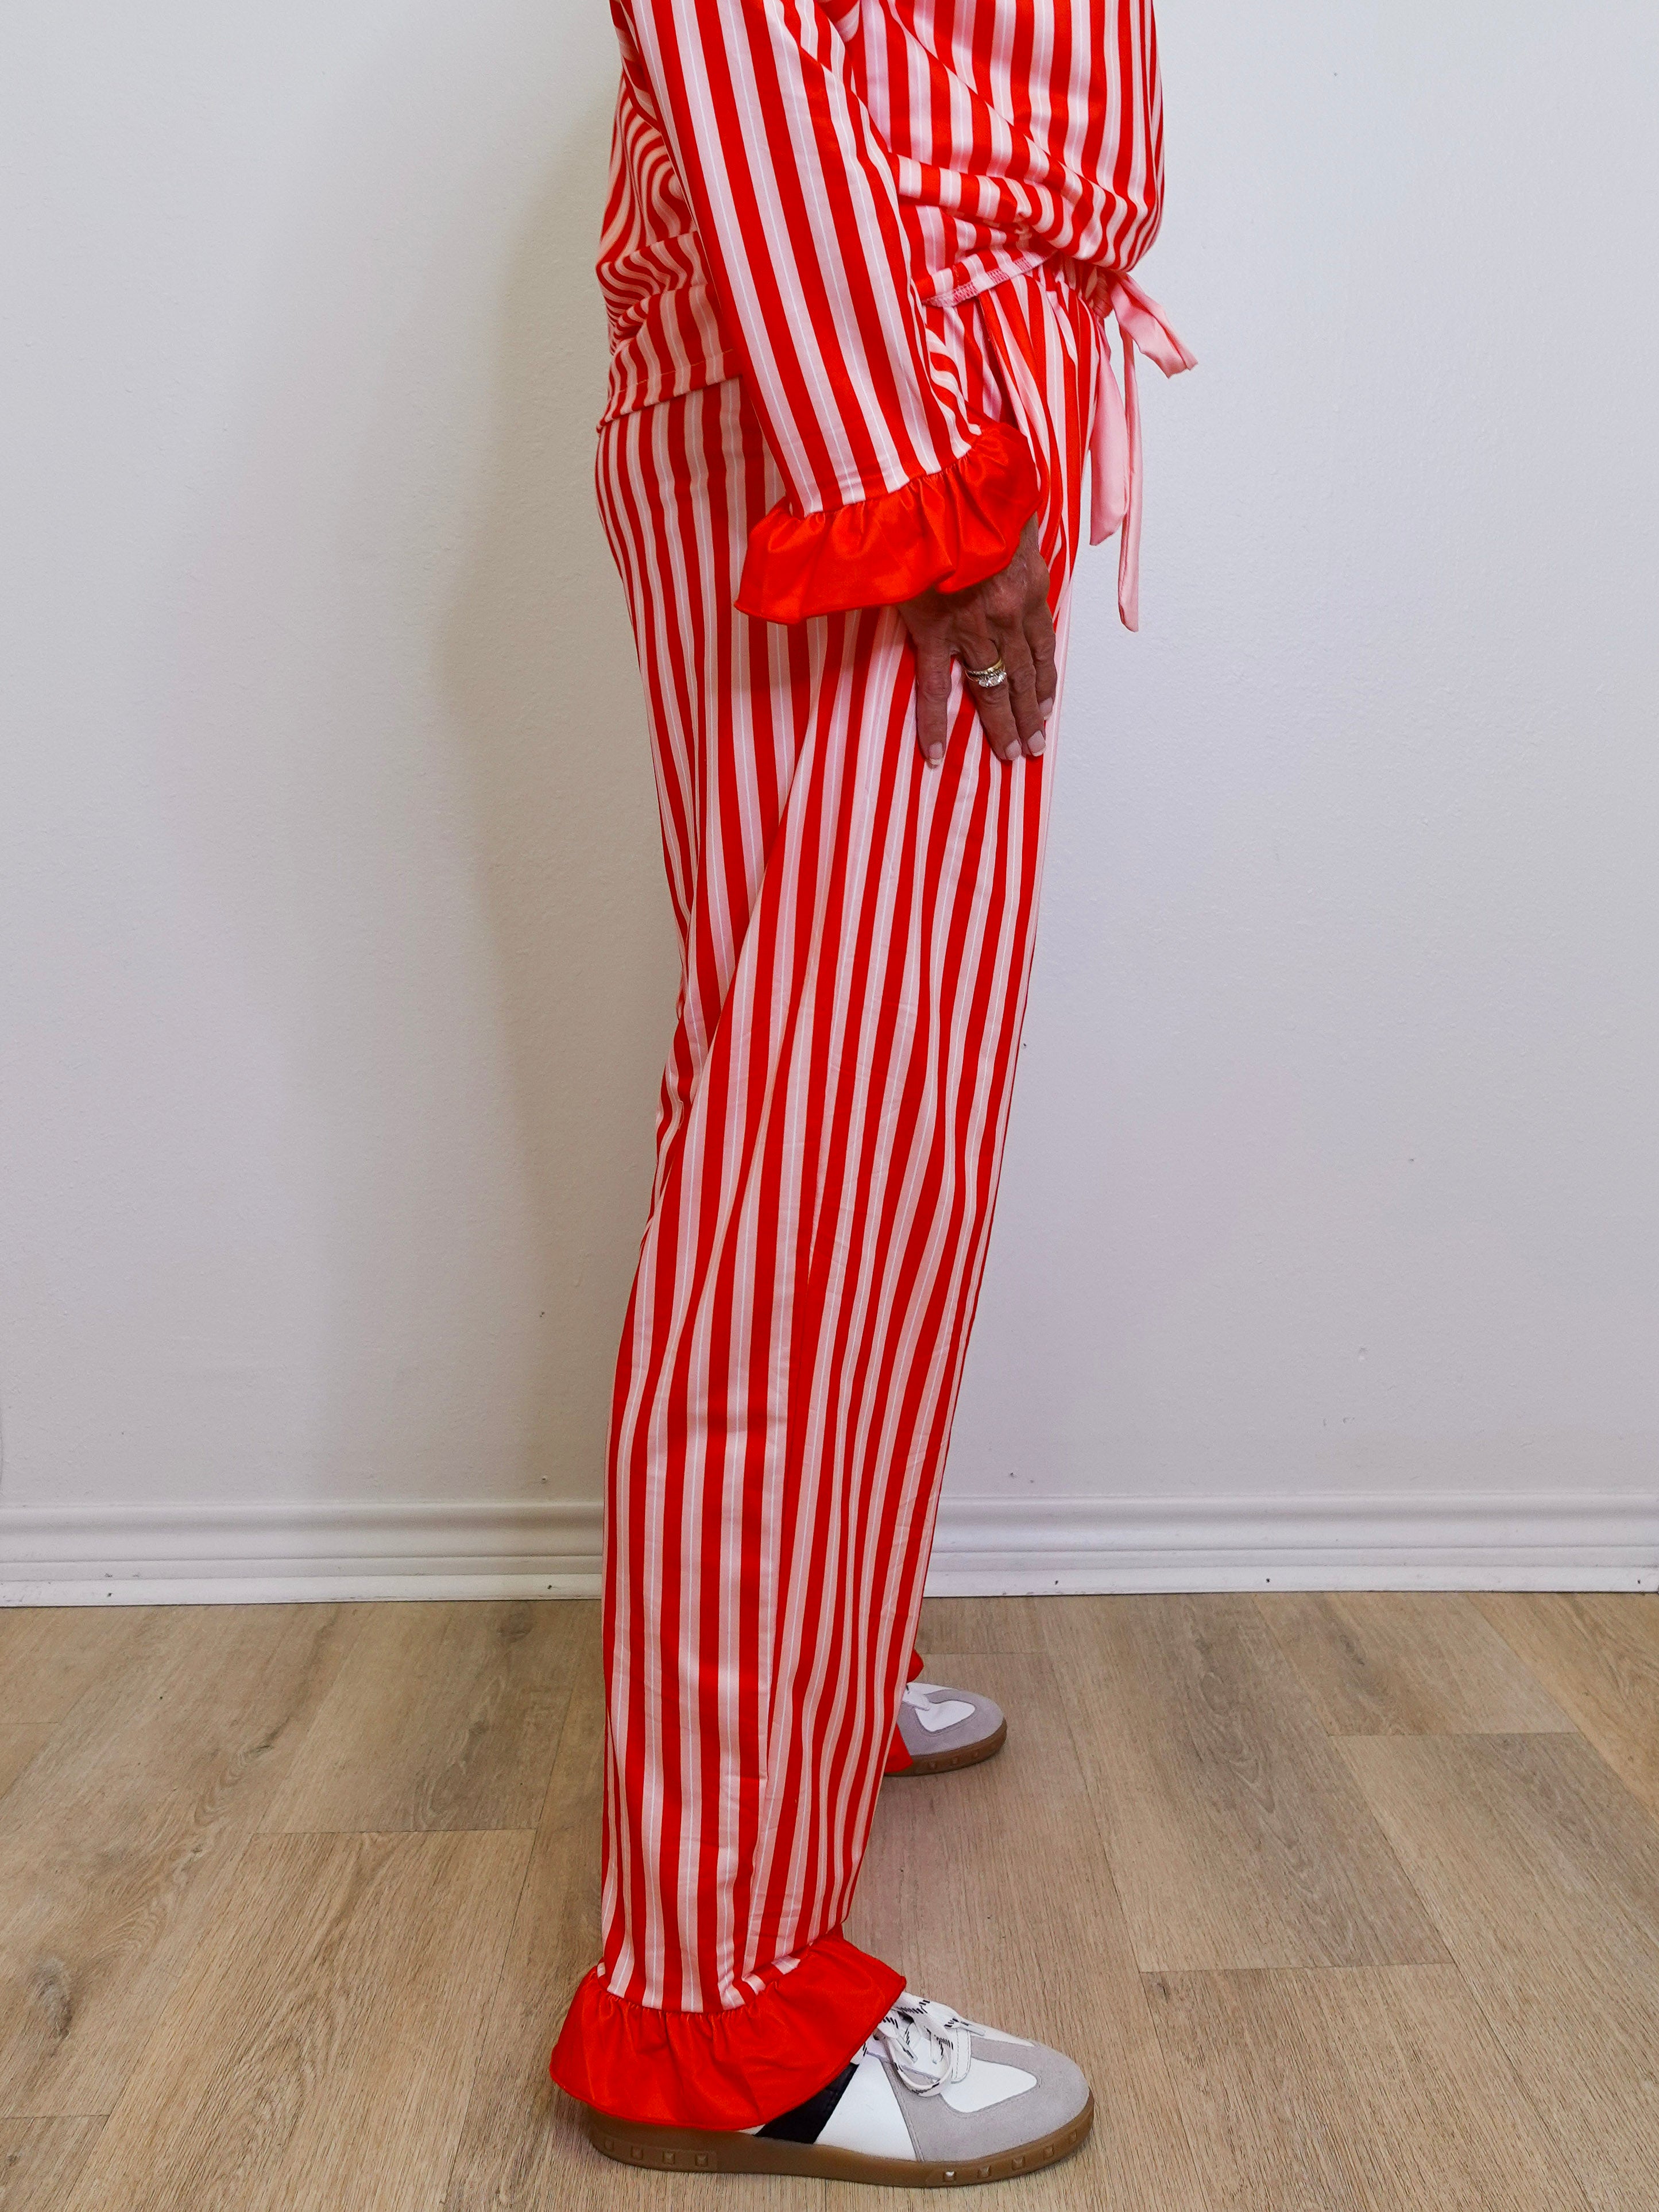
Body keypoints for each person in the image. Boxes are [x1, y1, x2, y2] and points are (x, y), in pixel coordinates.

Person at [549, 0, 1192, 2184]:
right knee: (797, 1161)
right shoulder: (874, 416)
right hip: (853, 387)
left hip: (920, 366)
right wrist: (905, 460)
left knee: (883, 1135)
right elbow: (732, 40)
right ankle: (709, 1990)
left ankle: (798, 1707)